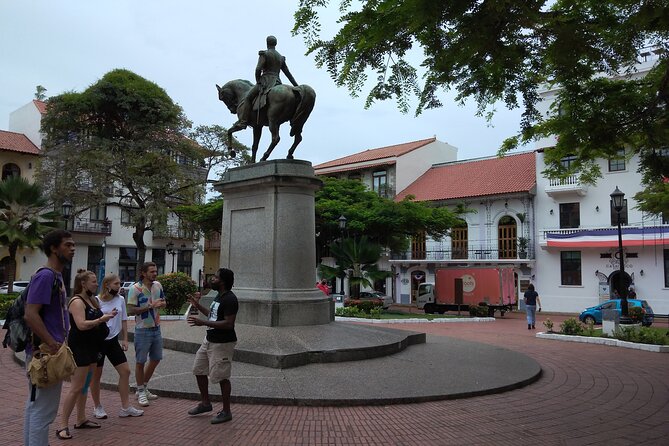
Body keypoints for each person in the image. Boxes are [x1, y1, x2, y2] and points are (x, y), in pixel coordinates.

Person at [23, 229, 74, 446]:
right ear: (53, 248)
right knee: (43, 412)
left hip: (49, 351)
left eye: (73, 245)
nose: (73, 249)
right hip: (45, 353)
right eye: (67, 245)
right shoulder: (46, 276)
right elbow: (30, 314)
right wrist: (51, 343)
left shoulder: (56, 276)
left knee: (37, 407)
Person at [56, 269, 117, 440]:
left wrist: (106, 317)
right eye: (93, 281)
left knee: (84, 386)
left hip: (92, 347)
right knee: (76, 387)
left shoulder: (91, 300)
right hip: (80, 347)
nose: (97, 284)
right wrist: (101, 320)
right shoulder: (76, 301)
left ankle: (81, 419)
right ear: (83, 284)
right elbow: (81, 325)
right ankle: (62, 425)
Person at [186, 268, 239, 424]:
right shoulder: (219, 296)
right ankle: (205, 403)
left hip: (222, 343)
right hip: (209, 340)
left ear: (222, 281)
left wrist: (202, 322)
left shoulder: (230, 299)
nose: (212, 279)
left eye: (215, 277)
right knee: (199, 369)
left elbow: (229, 323)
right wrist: (197, 305)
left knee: (222, 376)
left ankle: (226, 411)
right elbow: (214, 314)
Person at [90, 274, 144, 419]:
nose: (119, 287)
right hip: (98, 342)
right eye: (116, 284)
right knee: (96, 375)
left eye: (119, 284)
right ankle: (97, 406)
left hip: (113, 340)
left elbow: (124, 320)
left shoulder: (120, 299)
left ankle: (125, 407)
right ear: (107, 285)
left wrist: (125, 339)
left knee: (125, 371)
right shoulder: (96, 301)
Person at [126, 262, 166, 407]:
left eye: (155, 271)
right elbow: (130, 310)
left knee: (156, 358)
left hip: (156, 328)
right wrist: (149, 306)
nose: (155, 274)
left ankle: (143, 386)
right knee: (140, 362)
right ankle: (141, 391)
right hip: (142, 329)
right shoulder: (135, 289)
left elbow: (163, 302)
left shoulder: (158, 285)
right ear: (143, 273)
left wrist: (161, 304)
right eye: (151, 271)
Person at [237, 35, 299, 127]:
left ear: (267, 43)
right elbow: (288, 74)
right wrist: (296, 86)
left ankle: (243, 122)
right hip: (277, 82)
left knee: (248, 98)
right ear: (276, 44)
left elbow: (258, 69)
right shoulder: (280, 57)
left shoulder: (264, 54)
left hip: (265, 81)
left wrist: (258, 81)